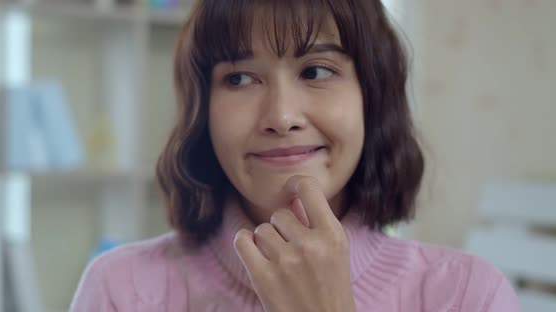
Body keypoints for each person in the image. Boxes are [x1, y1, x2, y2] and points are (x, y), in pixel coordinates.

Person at [70, 0, 520, 311]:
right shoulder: (120, 290)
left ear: (372, 97)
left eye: (317, 70)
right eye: (241, 79)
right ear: (203, 110)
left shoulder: (468, 296)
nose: (281, 117)